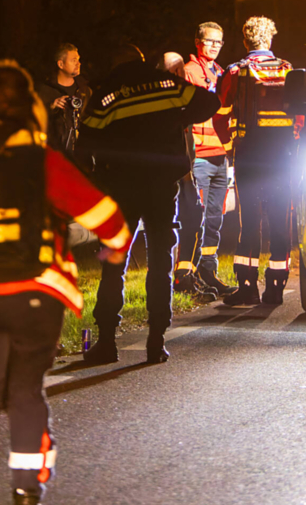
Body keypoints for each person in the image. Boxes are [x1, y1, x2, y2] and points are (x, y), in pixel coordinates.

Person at [0, 60, 131, 505]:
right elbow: (106, 217)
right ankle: (28, 487)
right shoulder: (42, 160)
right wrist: (114, 247)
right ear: (31, 106)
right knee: (25, 389)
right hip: (33, 295)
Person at [79, 45, 220, 364]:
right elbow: (210, 101)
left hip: (121, 188)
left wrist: (99, 177)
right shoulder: (167, 84)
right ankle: (156, 342)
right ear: (141, 61)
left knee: (114, 262)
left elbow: (84, 140)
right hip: (161, 186)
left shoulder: (107, 93)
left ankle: (106, 343)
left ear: (116, 64)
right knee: (160, 261)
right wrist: (178, 118)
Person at [214, 16, 300, 306]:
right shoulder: (288, 69)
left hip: (249, 155)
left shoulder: (235, 72)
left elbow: (220, 114)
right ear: (270, 39)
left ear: (245, 40)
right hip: (282, 157)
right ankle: (275, 289)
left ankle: (247, 287)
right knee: (280, 220)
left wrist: (229, 148)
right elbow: (300, 116)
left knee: (249, 221)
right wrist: (294, 145)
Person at [174, 22, 236, 297]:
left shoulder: (221, 72)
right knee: (194, 217)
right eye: (209, 41)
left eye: (218, 42)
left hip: (220, 154)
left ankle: (207, 271)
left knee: (214, 218)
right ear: (198, 42)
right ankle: (183, 275)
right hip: (198, 155)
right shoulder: (190, 71)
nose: (214, 46)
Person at [160, 51, 218, 301]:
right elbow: (209, 103)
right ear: (174, 72)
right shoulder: (172, 95)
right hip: (175, 173)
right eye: (182, 71)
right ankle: (179, 279)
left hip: (179, 170)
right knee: (188, 220)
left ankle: (184, 275)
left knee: (190, 220)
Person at [35, 43, 92, 162]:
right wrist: (51, 106)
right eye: (73, 60)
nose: (78, 63)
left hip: (81, 154)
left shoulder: (85, 90)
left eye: (79, 60)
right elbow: (34, 119)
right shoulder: (45, 90)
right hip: (54, 154)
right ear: (61, 64)